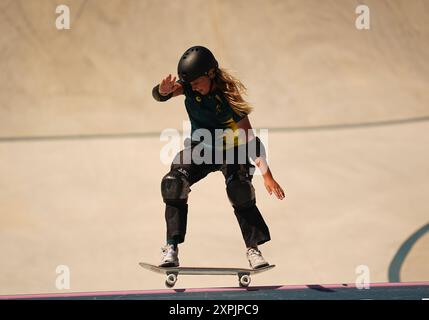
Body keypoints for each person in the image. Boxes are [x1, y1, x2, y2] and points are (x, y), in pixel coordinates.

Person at [152, 46, 285, 269]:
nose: (192, 87)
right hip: (200, 148)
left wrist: (267, 175)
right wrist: (162, 90)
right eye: (190, 84)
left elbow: (249, 138)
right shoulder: (189, 86)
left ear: (211, 73)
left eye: (196, 82)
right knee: (173, 183)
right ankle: (171, 247)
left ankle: (253, 248)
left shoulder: (229, 97)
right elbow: (161, 95)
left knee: (239, 190)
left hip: (233, 151)